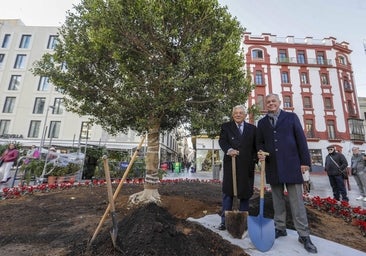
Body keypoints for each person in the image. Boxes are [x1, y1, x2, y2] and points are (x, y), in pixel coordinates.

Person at [256, 93, 317, 254]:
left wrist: (305, 162)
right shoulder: (261, 123)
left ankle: (304, 235)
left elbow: (301, 140)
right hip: (273, 166)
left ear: (279, 102)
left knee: (296, 202)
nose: (270, 104)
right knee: (277, 201)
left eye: (273, 101)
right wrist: (260, 152)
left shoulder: (291, 117)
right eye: (268, 102)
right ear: (266, 105)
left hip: (292, 165)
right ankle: (280, 227)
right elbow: (260, 142)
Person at [218, 105, 257, 230]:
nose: (238, 115)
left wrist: (256, 158)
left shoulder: (252, 129)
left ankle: (242, 221)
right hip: (231, 164)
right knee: (228, 193)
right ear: (232, 114)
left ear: (245, 115)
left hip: (247, 165)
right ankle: (225, 221)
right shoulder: (226, 127)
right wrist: (229, 150)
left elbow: (256, 147)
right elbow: (222, 141)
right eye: (236, 113)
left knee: (245, 193)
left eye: (241, 113)